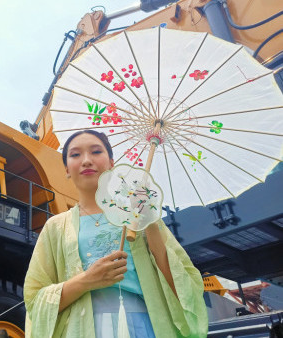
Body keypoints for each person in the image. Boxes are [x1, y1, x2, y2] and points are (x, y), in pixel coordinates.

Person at [23, 130, 208, 337]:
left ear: (111, 162)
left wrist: (150, 222)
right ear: (66, 168)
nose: (86, 161)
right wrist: (87, 280)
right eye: (75, 155)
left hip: (145, 327)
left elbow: (182, 284)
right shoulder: (55, 227)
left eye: (95, 152)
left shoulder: (138, 216)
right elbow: (34, 299)